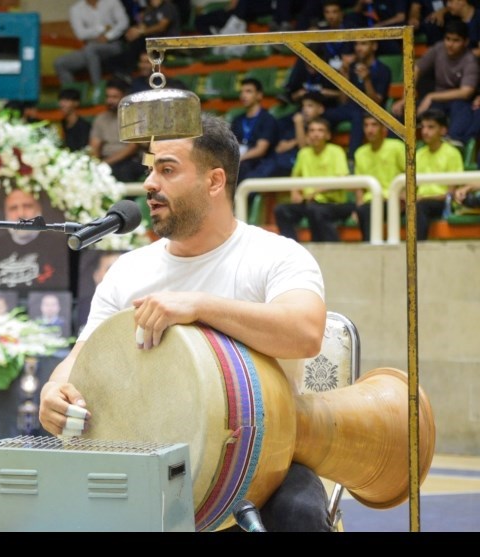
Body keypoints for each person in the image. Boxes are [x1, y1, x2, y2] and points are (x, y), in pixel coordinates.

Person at [38, 113, 331, 532]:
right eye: (150, 169)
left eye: (167, 169)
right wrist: (55, 390)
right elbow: (83, 354)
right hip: (143, 462)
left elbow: (304, 333)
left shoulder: (277, 255)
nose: (149, 184)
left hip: (266, 461)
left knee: (298, 517)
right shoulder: (128, 270)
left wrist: (201, 306)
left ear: (214, 182)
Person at [391, 18, 478, 146]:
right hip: (438, 102)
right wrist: (406, 98)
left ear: (465, 42)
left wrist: (431, 96)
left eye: (456, 40)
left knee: (462, 109)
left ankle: (452, 144)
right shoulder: (438, 48)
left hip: (458, 102)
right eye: (448, 39)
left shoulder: (470, 60)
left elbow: (466, 93)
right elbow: (416, 68)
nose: (450, 44)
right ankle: (394, 147)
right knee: (400, 110)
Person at [273, 116, 354, 242]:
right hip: (309, 202)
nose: (315, 134)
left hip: (334, 204)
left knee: (316, 210)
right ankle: (292, 249)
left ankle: (334, 247)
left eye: (320, 130)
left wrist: (316, 192)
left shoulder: (336, 151)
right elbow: (295, 177)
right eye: (312, 130)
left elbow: (341, 179)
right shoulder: (303, 153)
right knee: (281, 210)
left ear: (327, 135)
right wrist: (295, 193)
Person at [323, 39, 391, 161]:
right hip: (350, 108)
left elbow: (376, 103)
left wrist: (367, 80)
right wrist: (344, 78)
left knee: (358, 115)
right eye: (357, 44)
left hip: (371, 111)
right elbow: (343, 101)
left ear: (374, 46)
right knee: (324, 114)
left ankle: (352, 159)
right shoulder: (352, 67)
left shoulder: (383, 70)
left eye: (363, 44)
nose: (358, 48)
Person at [353, 113, 406, 242]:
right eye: (366, 126)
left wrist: (405, 195)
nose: (369, 129)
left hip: (394, 200)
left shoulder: (397, 147)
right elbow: (359, 185)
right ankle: (371, 251)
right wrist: (358, 206)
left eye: (374, 125)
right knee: (363, 210)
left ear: (384, 130)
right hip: (370, 201)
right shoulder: (360, 152)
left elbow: (410, 174)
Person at [413, 109, 465, 241]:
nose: (425, 131)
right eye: (423, 127)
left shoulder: (452, 153)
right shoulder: (418, 154)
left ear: (443, 130)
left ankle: (418, 249)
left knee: (421, 206)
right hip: (420, 201)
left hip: (441, 203)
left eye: (431, 127)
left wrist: (422, 198)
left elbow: (451, 192)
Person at [53, 0, 130, 87]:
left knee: (91, 49)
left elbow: (123, 23)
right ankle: (71, 96)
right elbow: (80, 34)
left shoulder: (112, 2)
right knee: (60, 63)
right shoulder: (76, 9)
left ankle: (97, 87)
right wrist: (100, 30)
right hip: (90, 48)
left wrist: (108, 36)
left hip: (114, 44)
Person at [89, 78, 145, 183]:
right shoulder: (101, 119)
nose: (110, 101)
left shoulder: (135, 116)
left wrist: (105, 163)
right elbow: (94, 146)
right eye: (108, 96)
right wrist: (95, 165)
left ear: (124, 97)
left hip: (130, 160)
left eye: (114, 97)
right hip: (106, 161)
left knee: (123, 170)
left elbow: (132, 147)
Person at [231, 77, 278, 185]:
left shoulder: (268, 119)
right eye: (241, 92)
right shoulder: (237, 120)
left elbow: (260, 150)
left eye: (248, 91)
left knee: (243, 168)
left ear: (259, 95)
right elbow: (233, 144)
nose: (243, 95)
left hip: (259, 162)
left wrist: (240, 158)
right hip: (240, 159)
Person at [57, 88, 91, 152]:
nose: (62, 104)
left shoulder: (84, 126)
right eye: (61, 100)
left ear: (76, 103)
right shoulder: (62, 123)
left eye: (66, 100)